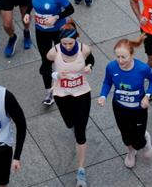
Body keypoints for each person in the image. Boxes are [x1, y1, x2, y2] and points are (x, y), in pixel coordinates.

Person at [46, 22, 94, 187]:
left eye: (70, 43)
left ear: (76, 40)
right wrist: (57, 74)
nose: (67, 46)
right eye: (64, 43)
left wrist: (89, 67)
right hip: (62, 94)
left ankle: (81, 169)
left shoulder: (84, 49)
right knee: (69, 123)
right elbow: (45, 70)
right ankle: (74, 125)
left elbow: (91, 60)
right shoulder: (54, 53)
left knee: (80, 132)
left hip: (82, 93)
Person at [98, 36, 152, 169]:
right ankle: (130, 152)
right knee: (125, 134)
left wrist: (147, 96)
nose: (120, 60)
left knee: (139, 140)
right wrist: (103, 95)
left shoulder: (141, 68)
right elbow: (107, 82)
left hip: (138, 109)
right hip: (119, 108)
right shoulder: (111, 67)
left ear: (132, 54)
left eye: (123, 57)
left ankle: (145, 141)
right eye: (117, 57)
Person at [21, 0, 74, 106]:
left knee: (62, 59)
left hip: (57, 32)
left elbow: (70, 9)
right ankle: (49, 91)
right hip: (41, 31)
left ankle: (66, 83)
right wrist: (27, 13)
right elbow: (29, 2)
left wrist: (56, 17)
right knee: (46, 60)